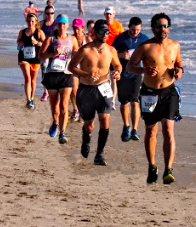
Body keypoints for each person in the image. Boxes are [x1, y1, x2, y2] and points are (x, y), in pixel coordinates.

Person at [127, 13, 183, 184]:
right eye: (159, 26)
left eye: (165, 26)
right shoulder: (145, 47)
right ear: (153, 28)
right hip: (149, 93)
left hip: (169, 92)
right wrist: (144, 71)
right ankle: (152, 166)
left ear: (169, 28)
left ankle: (168, 170)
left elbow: (179, 64)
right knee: (151, 131)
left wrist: (179, 71)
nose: (162, 29)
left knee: (168, 129)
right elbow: (130, 66)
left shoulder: (175, 46)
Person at [68, 19, 121, 165]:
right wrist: (85, 74)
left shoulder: (111, 50)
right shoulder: (85, 49)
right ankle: (86, 139)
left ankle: (99, 154)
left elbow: (118, 65)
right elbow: (72, 67)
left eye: (107, 32)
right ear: (95, 32)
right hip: (86, 90)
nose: (105, 34)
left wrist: (117, 72)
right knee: (89, 124)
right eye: (102, 31)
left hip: (104, 88)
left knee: (105, 120)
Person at [40, 14, 79, 144]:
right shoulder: (50, 39)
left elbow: (78, 53)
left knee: (64, 105)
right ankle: (55, 122)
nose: (62, 26)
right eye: (60, 24)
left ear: (68, 25)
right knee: (54, 106)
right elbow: (41, 55)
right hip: (52, 74)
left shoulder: (72, 39)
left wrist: (75, 55)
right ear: (57, 25)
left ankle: (62, 133)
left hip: (66, 74)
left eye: (64, 24)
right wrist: (52, 53)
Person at [113, 17, 149, 142]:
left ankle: (135, 129)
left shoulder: (144, 39)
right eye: (133, 29)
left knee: (135, 101)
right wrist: (121, 55)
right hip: (122, 73)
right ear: (129, 27)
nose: (135, 32)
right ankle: (126, 126)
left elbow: (149, 55)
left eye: (138, 30)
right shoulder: (120, 39)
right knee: (124, 103)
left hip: (137, 73)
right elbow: (111, 54)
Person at [16, 12, 45, 109]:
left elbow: (45, 44)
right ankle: (28, 99)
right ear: (26, 21)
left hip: (35, 58)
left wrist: (37, 43)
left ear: (36, 21)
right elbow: (18, 42)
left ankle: (32, 98)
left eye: (32, 21)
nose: (30, 23)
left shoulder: (39, 32)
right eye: (28, 21)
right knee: (27, 78)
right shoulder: (22, 32)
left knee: (33, 79)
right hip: (24, 58)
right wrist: (20, 44)